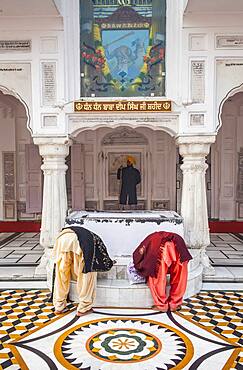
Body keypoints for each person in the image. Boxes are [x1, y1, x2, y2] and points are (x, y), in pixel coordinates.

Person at [52, 226, 114, 316]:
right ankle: (83, 308)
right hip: (80, 243)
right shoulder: (95, 242)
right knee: (86, 276)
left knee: (62, 274)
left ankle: (59, 306)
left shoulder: (92, 237)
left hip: (62, 239)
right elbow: (94, 263)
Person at [133, 231, 192, 312]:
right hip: (180, 247)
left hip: (162, 249)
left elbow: (140, 258)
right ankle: (175, 304)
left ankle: (161, 305)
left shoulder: (147, 244)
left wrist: (143, 267)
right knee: (180, 276)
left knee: (156, 276)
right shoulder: (151, 239)